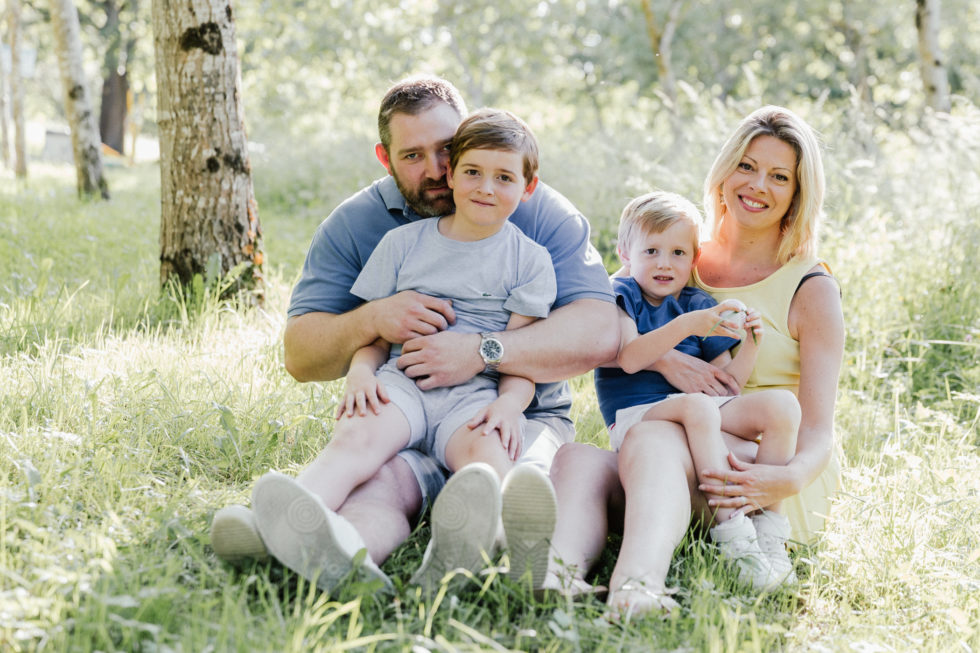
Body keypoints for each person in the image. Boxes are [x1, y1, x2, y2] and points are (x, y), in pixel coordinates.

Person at [209, 76, 618, 592]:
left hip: (508, 414)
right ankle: (333, 555)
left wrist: (481, 353)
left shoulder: (530, 215)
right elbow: (300, 354)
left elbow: (601, 334)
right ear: (384, 158)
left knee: (514, 475)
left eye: (447, 150)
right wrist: (373, 319)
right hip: (406, 404)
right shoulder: (371, 229)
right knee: (376, 483)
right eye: (413, 156)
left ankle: (505, 559)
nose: (437, 172)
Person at [546, 105, 844, 619]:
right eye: (746, 166)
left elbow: (817, 429)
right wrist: (666, 363)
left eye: (779, 176)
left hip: (759, 469)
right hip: (678, 452)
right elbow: (627, 333)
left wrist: (788, 478)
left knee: (662, 433)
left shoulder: (811, 287)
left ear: (797, 194)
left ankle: (637, 586)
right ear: (724, 172)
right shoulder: (676, 255)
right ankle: (554, 577)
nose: (757, 185)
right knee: (578, 459)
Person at [595, 190, 801, 593]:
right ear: (625, 252)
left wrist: (752, 343)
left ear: (694, 259)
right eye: (651, 250)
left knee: (782, 407)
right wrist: (690, 325)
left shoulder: (697, 302)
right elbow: (630, 356)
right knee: (698, 409)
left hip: (697, 413)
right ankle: (734, 536)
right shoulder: (622, 295)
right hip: (638, 420)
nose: (664, 263)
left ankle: (768, 532)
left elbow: (727, 387)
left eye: (677, 253)